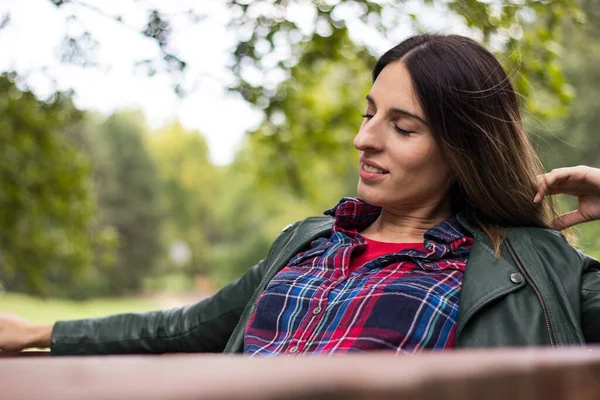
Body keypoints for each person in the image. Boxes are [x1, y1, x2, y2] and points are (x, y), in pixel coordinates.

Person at [2, 33, 600, 355]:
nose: (364, 139)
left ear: (463, 150)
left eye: (402, 126)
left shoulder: (528, 265)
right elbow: (182, 327)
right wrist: (35, 333)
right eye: (369, 114)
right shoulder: (307, 244)